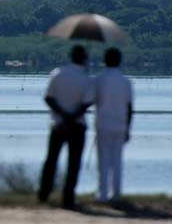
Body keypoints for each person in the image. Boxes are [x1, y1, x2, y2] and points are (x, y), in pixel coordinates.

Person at [38, 45, 93, 209]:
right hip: (77, 126)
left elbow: (48, 98)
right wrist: (71, 117)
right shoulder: (86, 79)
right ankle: (68, 198)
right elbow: (86, 104)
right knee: (74, 163)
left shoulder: (57, 73)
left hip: (58, 125)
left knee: (51, 160)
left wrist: (63, 116)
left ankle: (44, 193)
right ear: (84, 59)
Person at [93, 47, 133, 203]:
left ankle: (102, 194)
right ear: (119, 61)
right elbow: (129, 108)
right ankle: (116, 194)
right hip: (120, 125)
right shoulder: (126, 81)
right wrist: (128, 128)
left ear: (104, 61)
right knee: (117, 161)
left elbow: (91, 100)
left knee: (103, 161)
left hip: (103, 125)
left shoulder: (99, 79)